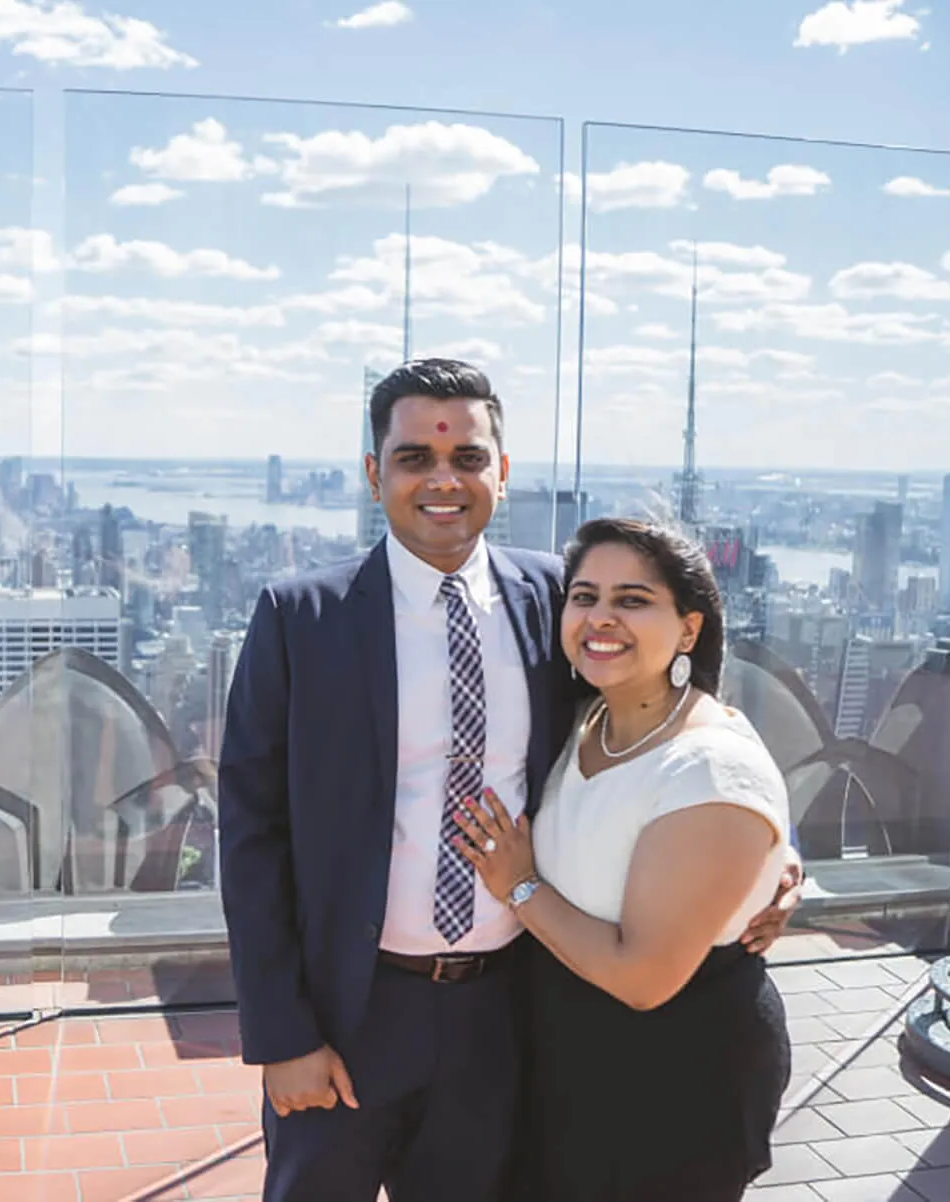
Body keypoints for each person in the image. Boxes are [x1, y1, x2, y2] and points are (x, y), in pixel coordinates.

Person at [217, 359, 801, 1202]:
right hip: (348, 1009)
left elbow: (670, 731)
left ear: (503, 472)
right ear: (375, 474)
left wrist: (770, 861)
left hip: (506, 1012)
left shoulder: (557, 600)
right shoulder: (302, 617)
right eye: (414, 458)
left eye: (468, 458)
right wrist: (281, 1034)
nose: (443, 480)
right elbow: (251, 830)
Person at [457, 517, 793, 1201]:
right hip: (569, 1060)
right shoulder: (587, 718)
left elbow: (643, 978)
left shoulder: (709, 765)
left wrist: (519, 886)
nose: (601, 618)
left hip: (673, 1077)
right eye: (585, 597)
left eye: (633, 600)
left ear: (689, 629)